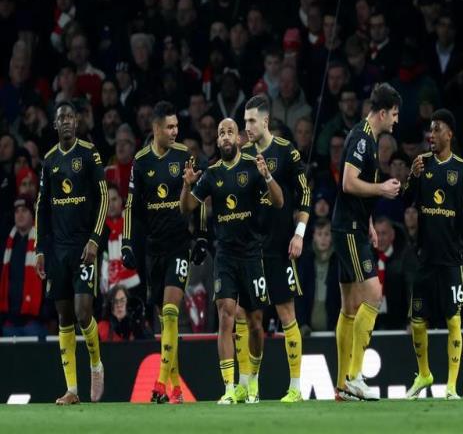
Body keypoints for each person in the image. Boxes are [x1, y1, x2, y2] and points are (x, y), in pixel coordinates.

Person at [180, 117, 283, 404]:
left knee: (255, 322)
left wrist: (268, 176)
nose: (225, 136)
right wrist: (187, 185)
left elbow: (279, 202)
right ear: (217, 140)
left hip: (252, 254)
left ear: (239, 138)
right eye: (221, 133)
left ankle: (253, 382)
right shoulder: (211, 173)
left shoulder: (252, 166)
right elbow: (186, 207)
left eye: (230, 132)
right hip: (224, 255)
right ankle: (228, 388)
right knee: (226, 315)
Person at [121, 101, 206, 405]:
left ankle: (159, 383)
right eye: (169, 127)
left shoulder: (184, 156)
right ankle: (177, 389)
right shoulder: (141, 161)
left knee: (171, 311)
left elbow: (199, 195)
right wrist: (127, 242)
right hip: (152, 249)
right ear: (156, 128)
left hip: (178, 245)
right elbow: (131, 206)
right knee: (163, 319)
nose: (174, 131)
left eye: (176, 126)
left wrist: (201, 236)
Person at [236, 94, 311, 403]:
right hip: (250, 250)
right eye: (245, 121)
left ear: (265, 121)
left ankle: (295, 387)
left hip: (279, 248)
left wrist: (299, 234)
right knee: (247, 317)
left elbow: (305, 194)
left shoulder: (285, 151)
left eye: (252, 121)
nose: (247, 127)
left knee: (286, 314)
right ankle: (248, 385)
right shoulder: (242, 155)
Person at [403, 109, 463, 400]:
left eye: (436, 129)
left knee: (453, 320)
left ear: (449, 134)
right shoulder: (421, 164)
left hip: (451, 258)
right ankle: (424, 374)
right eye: (430, 130)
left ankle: (451, 386)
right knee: (418, 321)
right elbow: (406, 200)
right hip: (424, 257)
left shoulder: (462, 169)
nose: (431, 135)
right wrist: (412, 177)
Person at [35, 101, 109, 405]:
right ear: (55, 125)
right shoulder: (49, 160)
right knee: (64, 316)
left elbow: (103, 197)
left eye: (70, 117)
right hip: (57, 250)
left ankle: (96, 364)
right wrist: (40, 249)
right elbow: (42, 206)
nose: (65, 121)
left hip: (83, 247)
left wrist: (95, 240)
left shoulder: (89, 154)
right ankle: (72, 390)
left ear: (76, 122)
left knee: (82, 312)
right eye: (61, 118)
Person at [332, 83, 402, 401]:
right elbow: (348, 183)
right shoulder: (362, 138)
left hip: (356, 226)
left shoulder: (369, 138)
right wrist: (382, 189)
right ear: (383, 112)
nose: (396, 120)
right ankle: (355, 376)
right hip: (348, 229)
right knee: (373, 293)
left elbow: (357, 187)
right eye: (395, 114)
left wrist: (370, 222)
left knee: (349, 307)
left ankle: (342, 386)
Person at [0, 196, 44, 337]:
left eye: (24, 210)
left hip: (34, 322)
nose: (20, 215)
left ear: (33, 214)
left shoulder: (43, 243)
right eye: (17, 211)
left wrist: (46, 315)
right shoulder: (6, 244)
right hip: (9, 322)